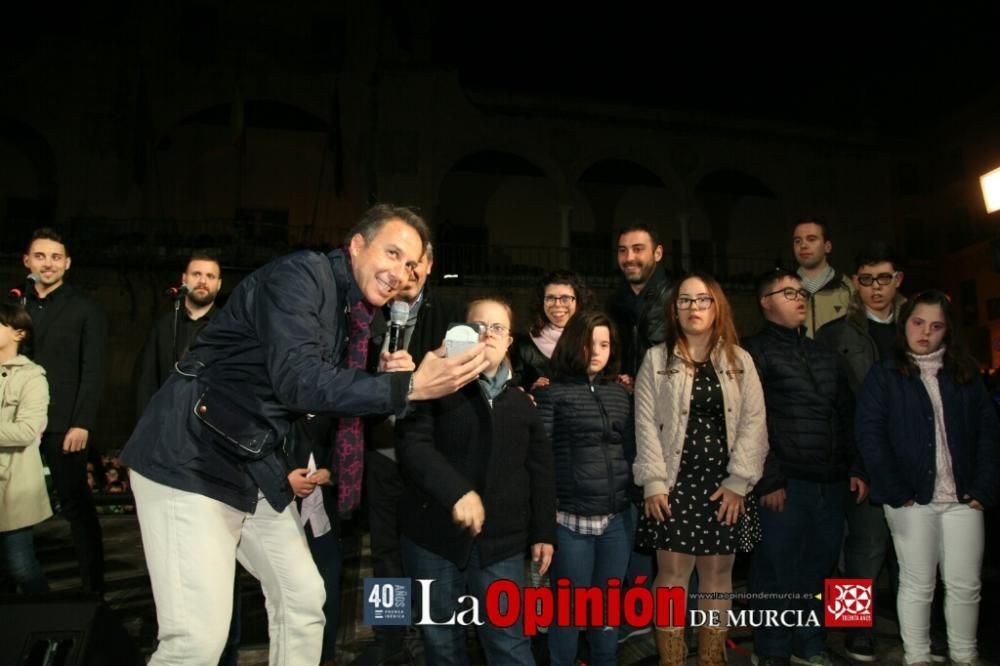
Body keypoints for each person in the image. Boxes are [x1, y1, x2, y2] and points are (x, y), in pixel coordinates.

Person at [121, 204, 489, 666]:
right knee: (196, 641)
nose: (400, 272)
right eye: (392, 253)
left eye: (411, 264)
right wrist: (407, 386)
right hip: (190, 456)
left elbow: (311, 393)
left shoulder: (356, 315)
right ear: (357, 245)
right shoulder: (303, 276)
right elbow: (298, 380)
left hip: (253, 461)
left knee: (303, 601)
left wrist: (386, 379)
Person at [396, 297, 556, 666]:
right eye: (478, 326)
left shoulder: (521, 404)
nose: (487, 335)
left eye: (497, 328)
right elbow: (412, 446)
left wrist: (545, 532)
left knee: (509, 644)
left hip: (502, 545)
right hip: (433, 539)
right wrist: (457, 492)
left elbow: (541, 473)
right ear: (461, 334)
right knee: (442, 645)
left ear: (509, 341)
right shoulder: (434, 389)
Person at [856, 290, 1000, 666]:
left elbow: (989, 432)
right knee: (918, 584)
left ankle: (965, 656)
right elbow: (870, 435)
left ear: (947, 331)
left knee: (966, 585)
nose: (925, 333)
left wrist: (984, 487)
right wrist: (895, 489)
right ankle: (917, 656)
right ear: (904, 324)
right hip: (910, 498)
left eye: (936, 326)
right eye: (918, 323)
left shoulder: (964, 374)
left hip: (963, 498)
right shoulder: (885, 374)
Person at [633, 272, 768, 666]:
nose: (694, 308)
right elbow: (644, 424)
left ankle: (712, 659)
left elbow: (754, 423)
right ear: (674, 310)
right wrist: (654, 483)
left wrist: (739, 482)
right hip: (673, 485)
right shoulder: (656, 359)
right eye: (685, 301)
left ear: (717, 307)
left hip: (724, 487)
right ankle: (672, 660)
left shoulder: (740, 360)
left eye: (703, 300)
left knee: (718, 575)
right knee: (672, 576)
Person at [742, 268, 866, 666]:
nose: (800, 298)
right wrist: (769, 478)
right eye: (788, 292)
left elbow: (847, 414)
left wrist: (856, 467)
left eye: (801, 292)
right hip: (785, 482)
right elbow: (751, 420)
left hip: (830, 482)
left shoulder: (824, 354)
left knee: (821, 564)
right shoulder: (752, 352)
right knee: (776, 568)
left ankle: (809, 642)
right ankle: (773, 650)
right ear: (765, 302)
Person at [353, 241, 463, 666]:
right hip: (382, 450)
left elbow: (457, 378)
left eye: (418, 264)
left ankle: (433, 633)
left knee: (429, 551)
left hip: (430, 455)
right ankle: (389, 634)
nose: (410, 271)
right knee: (384, 551)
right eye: (403, 262)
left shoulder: (450, 315)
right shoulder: (369, 311)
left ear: (430, 266)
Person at [815, 242, 905, 662]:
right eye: (866, 280)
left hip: (910, 456)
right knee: (863, 549)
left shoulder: (917, 326)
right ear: (855, 283)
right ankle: (855, 629)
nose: (875, 288)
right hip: (861, 458)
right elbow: (831, 405)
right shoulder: (836, 335)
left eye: (883, 278)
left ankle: (913, 625)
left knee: (910, 551)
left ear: (897, 280)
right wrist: (849, 461)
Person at [534, 310, 633, 666]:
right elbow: (540, 462)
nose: (596, 351)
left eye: (604, 344)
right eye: (589, 342)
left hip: (616, 521)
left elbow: (632, 451)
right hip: (569, 520)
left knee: (608, 610)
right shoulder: (551, 394)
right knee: (569, 611)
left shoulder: (621, 395)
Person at [23, 227, 108, 595]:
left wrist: (82, 422)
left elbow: (93, 369)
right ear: (27, 261)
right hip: (16, 424)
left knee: (76, 506)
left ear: (67, 263)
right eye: (40, 256)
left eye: (56, 257)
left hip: (63, 424)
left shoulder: (85, 308)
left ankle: (93, 590)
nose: (48, 263)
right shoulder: (15, 306)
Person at [134, 251, 223, 417]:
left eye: (210, 276)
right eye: (196, 274)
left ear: (219, 284)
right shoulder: (164, 325)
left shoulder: (227, 328)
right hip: (164, 421)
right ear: (184, 279)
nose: (203, 281)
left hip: (209, 427)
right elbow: (145, 380)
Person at [0, 303, 51, 594]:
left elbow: (27, 430)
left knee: (20, 564)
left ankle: (48, 625)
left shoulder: (32, 377)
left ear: (19, 333)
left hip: (14, 482)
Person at [607, 222, 671, 384]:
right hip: (622, 401)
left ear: (657, 253)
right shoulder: (612, 304)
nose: (629, 258)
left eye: (638, 249)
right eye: (623, 250)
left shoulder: (677, 299)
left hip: (665, 399)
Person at [510, 270, 591, 391]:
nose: (557, 304)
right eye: (550, 298)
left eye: (565, 298)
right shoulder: (523, 346)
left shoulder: (594, 339)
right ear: (541, 302)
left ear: (578, 302)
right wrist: (530, 388)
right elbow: (514, 387)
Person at [792, 218, 853, 338]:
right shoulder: (780, 289)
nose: (803, 245)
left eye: (811, 239)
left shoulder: (849, 288)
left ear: (827, 247)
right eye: (797, 241)